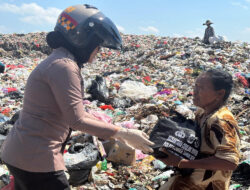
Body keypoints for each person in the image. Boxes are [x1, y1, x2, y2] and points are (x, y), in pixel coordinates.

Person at [1, 4, 154, 190]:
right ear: (84, 40)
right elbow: (77, 120)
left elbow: (77, 112)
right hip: (36, 159)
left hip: (21, 152)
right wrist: (124, 134)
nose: (98, 52)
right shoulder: (64, 66)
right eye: (97, 46)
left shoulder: (58, 61)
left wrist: (120, 131)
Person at [159, 69, 240, 190]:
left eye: (200, 88)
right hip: (189, 181)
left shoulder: (220, 121)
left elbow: (229, 162)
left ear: (220, 94)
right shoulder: (202, 113)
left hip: (206, 185)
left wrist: (182, 162)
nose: (194, 92)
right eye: (195, 86)